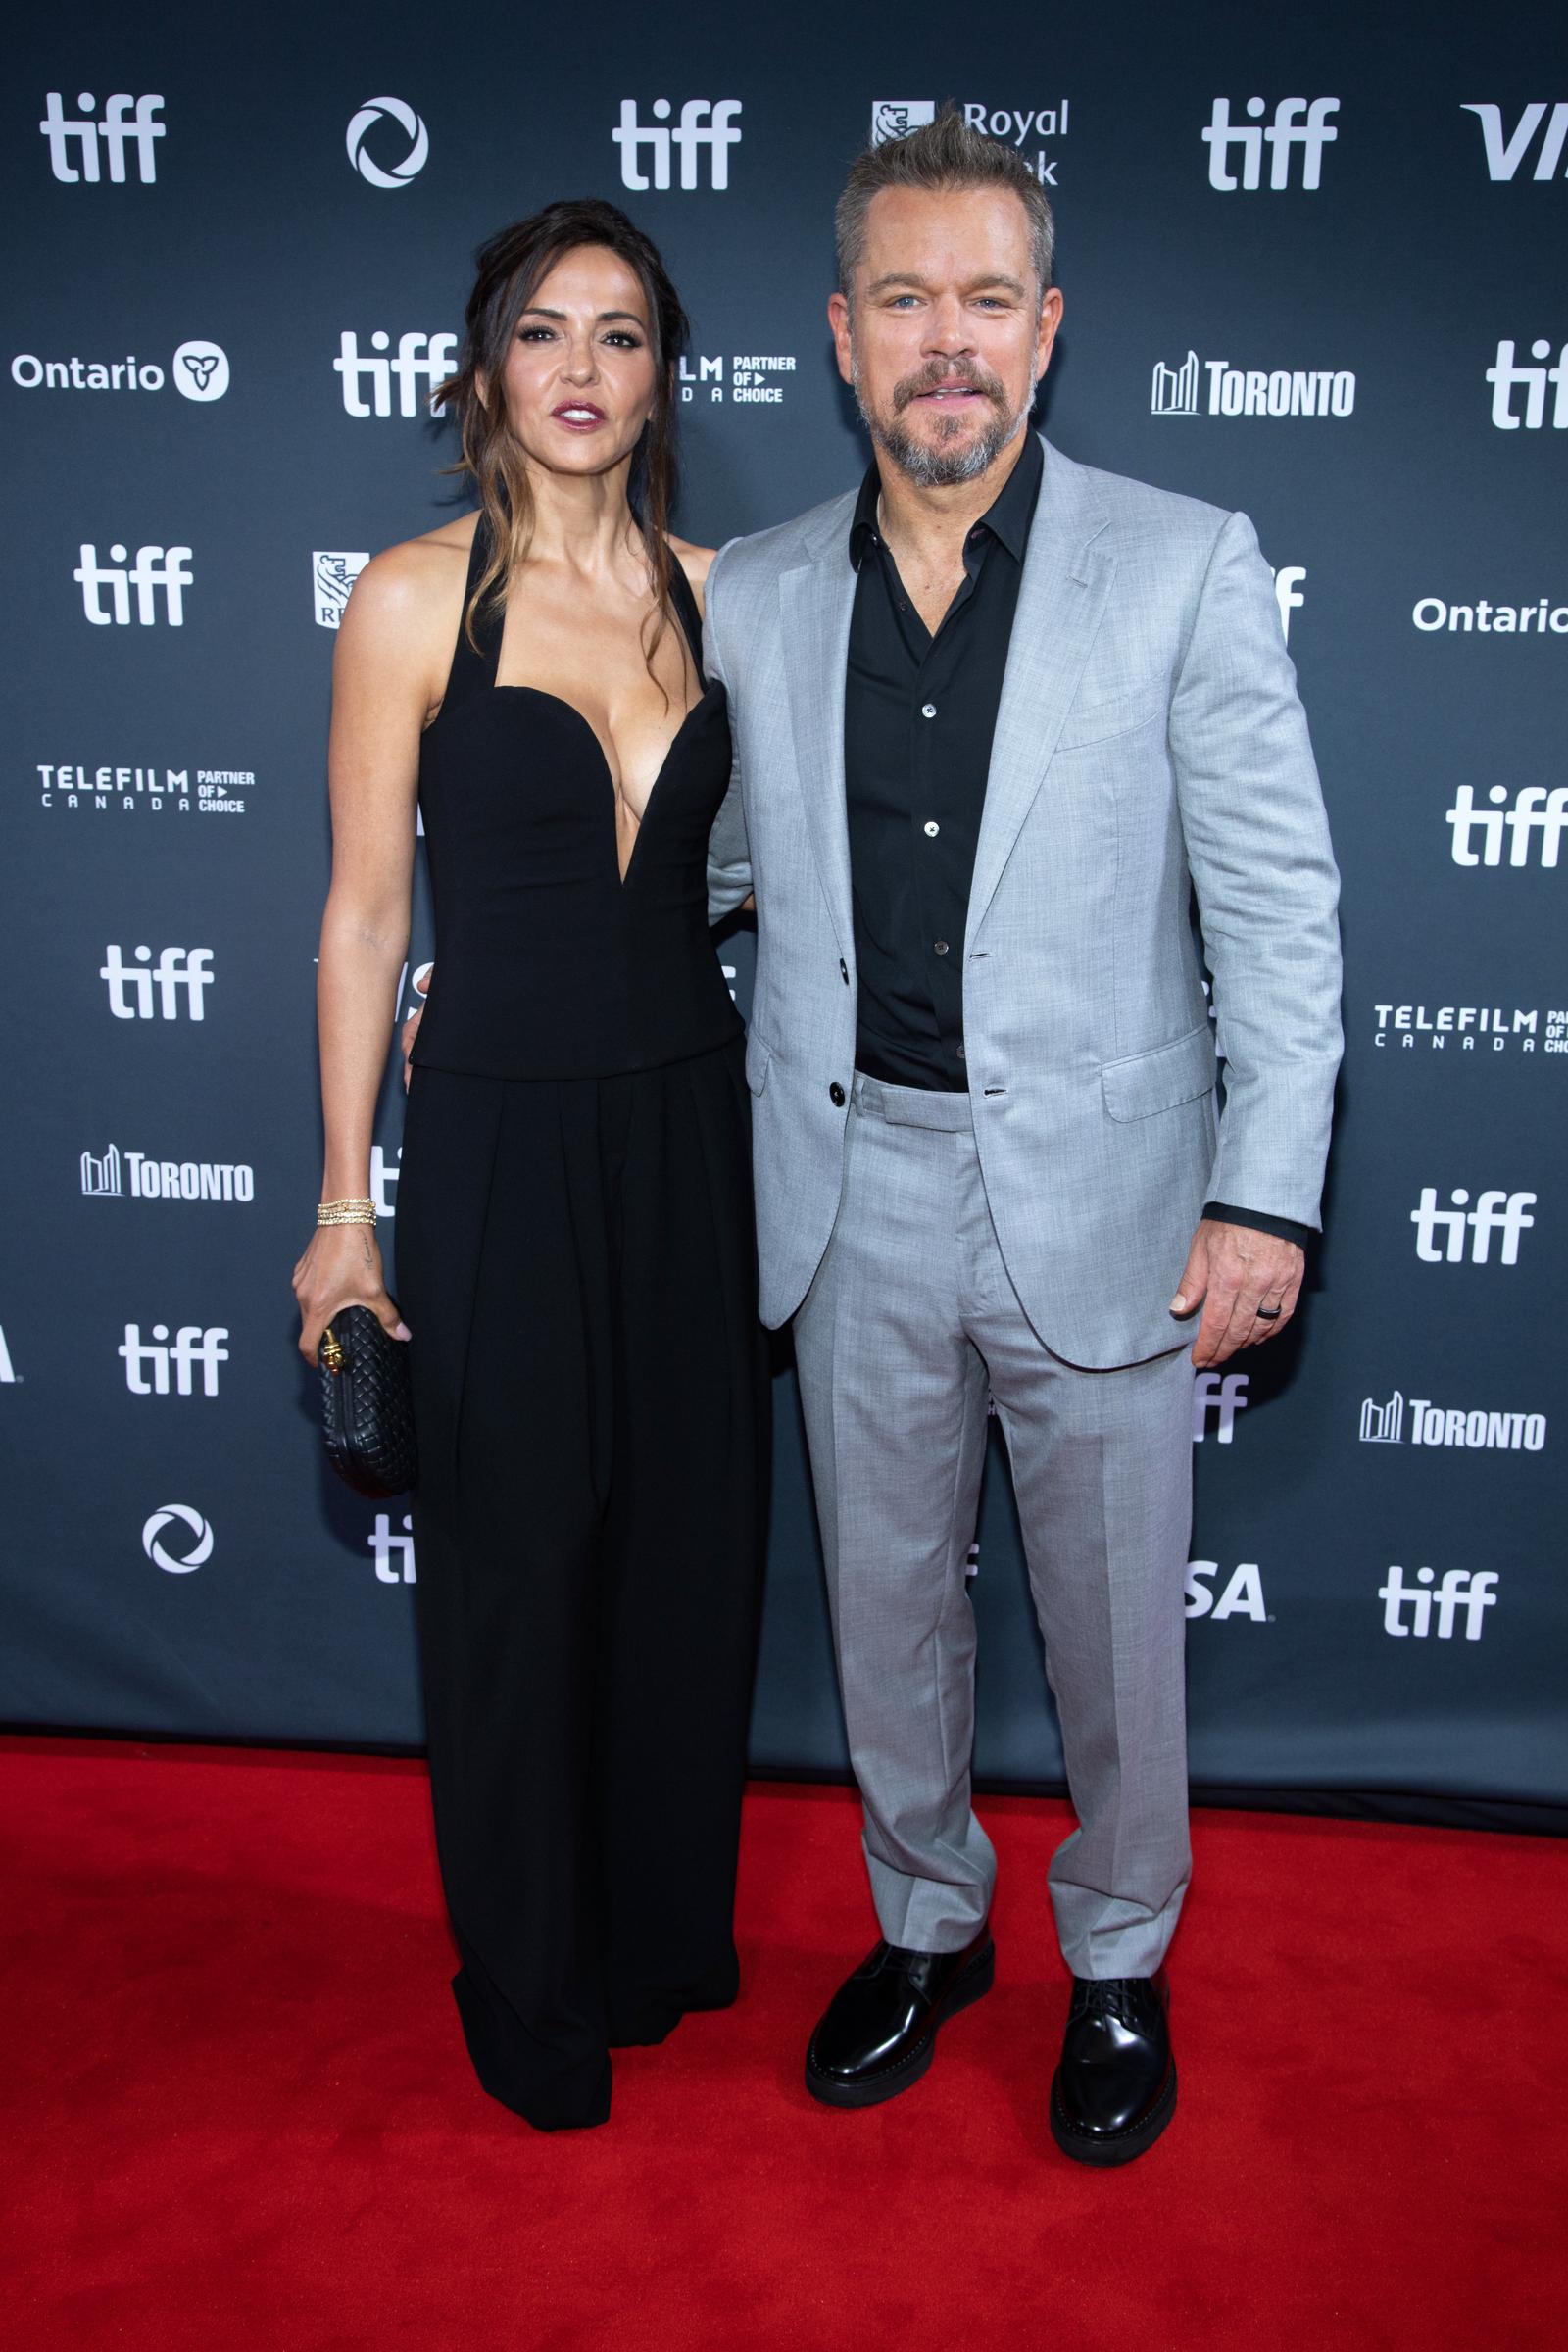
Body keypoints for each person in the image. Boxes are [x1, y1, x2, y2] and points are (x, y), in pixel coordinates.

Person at [701, 113, 1342, 2164]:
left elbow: (1276, 918)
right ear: (840, 333)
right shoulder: (760, 597)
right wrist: (505, 968)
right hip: (845, 1180)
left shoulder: (1182, 564)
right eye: (903, 299)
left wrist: (1265, 1192)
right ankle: (924, 1925)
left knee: (1107, 1634)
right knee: (885, 1607)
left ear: (1046, 330)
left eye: (985, 298)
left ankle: (1121, 1961)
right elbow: (691, 870)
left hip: (1116, 1200)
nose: (944, 342)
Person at [293, 201, 767, 2133]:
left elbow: (780, 888)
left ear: (665, 372)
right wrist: (345, 1203)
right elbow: (354, 918)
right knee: (512, 1577)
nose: (581, 367)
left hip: (694, 1133)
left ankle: (653, 1940)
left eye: (623, 333)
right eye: (544, 330)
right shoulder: (418, 600)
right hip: (490, 1134)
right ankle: (530, 1982)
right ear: (487, 362)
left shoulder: (728, 594)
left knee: (681, 1565)